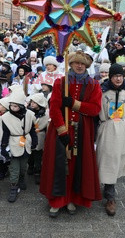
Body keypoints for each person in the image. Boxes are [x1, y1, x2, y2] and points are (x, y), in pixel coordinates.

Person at [40, 50, 102, 218]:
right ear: (71, 64)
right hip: (61, 130)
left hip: (82, 130)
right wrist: (62, 130)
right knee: (59, 165)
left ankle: (72, 198)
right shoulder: (61, 82)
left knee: (76, 165)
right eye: (76, 63)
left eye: (82, 63)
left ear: (87, 65)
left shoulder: (94, 85)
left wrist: (75, 104)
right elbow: (54, 107)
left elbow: (95, 109)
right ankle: (57, 201)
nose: (79, 66)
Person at [96, 64, 125, 216]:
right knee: (106, 161)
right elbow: (94, 115)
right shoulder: (101, 92)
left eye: (120, 76)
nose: (118, 79)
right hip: (107, 129)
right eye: (115, 76)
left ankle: (110, 193)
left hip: (124, 131)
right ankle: (108, 194)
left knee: (116, 163)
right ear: (110, 77)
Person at [0, 90, 37, 203]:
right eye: (11, 105)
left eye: (15, 106)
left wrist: (34, 141)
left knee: (23, 166)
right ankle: (13, 187)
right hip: (13, 142)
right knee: (14, 167)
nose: (12, 107)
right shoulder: (5, 117)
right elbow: (5, 133)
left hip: (26, 142)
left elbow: (32, 130)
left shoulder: (29, 115)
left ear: (20, 106)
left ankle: (21, 179)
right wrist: (3, 146)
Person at [26, 93, 49, 185]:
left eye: (34, 102)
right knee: (30, 152)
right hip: (30, 134)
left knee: (38, 154)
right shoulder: (27, 113)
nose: (32, 104)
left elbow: (47, 126)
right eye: (31, 102)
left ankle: (37, 171)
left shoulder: (45, 114)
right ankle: (30, 166)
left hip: (40, 135)